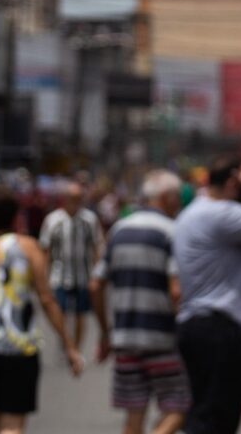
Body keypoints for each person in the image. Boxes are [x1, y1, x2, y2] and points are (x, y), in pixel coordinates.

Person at [0, 186, 83, 433]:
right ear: (14, 216)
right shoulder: (28, 247)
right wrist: (69, 345)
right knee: (12, 423)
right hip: (17, 344)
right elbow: (46, 299)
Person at [173, 151, 241, 434]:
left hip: (197, 326)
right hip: (220, 331)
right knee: (216, 421)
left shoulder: (192, 212)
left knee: (202, 414)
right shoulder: (220, 213)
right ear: (233, 182)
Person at [92, 171, 189, 434]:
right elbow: (176, 291)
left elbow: (95, 285)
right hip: (162, 339)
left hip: (124, 338)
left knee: (133, 415)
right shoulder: (172, 231)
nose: (179, 202)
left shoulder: (119, 230)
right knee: (178, 408)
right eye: (177, 197)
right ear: (166, 197)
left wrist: (105, 332)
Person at [39, 181, 102, 353]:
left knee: (81, 313)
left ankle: (77, 347)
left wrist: (97, 275)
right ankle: (67, 343)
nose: (76, 201)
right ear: (65, 199)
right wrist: (43, 276)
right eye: (73, 197)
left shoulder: (89, 220)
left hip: (83, 275)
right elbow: (45, 250)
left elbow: (96, 247)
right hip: (59, 275)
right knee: (61, 311)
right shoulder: (53, 220)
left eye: (79, 198)